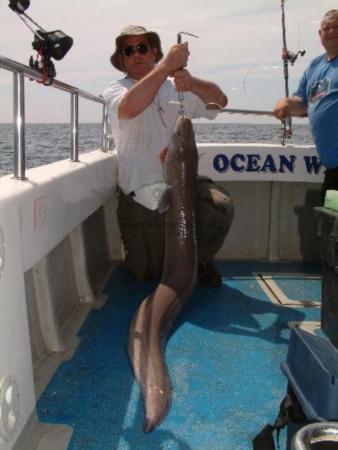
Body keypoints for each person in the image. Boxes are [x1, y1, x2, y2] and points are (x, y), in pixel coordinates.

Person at [103, 25, 234, 287]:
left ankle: (201, 260)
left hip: (183, 187)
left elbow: (219, 102)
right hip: (141, 194)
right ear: (121, 59)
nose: (136, 54)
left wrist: (193, 82)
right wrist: (164, 68)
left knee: (219, 205)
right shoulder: (116, 90)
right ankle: (170, 261)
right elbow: (129, 108)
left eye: (142, 48)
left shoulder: (176, 87)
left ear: (154, 52)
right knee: (145, 272)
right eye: (128, 50)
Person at [273, 9, 338, 202]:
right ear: (320, 34)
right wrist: (285, 102)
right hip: (333, 168)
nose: (333, 31)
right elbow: (302, 102)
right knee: (331, 226)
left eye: (337, 27)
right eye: (327, 28)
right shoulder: (314, 66)